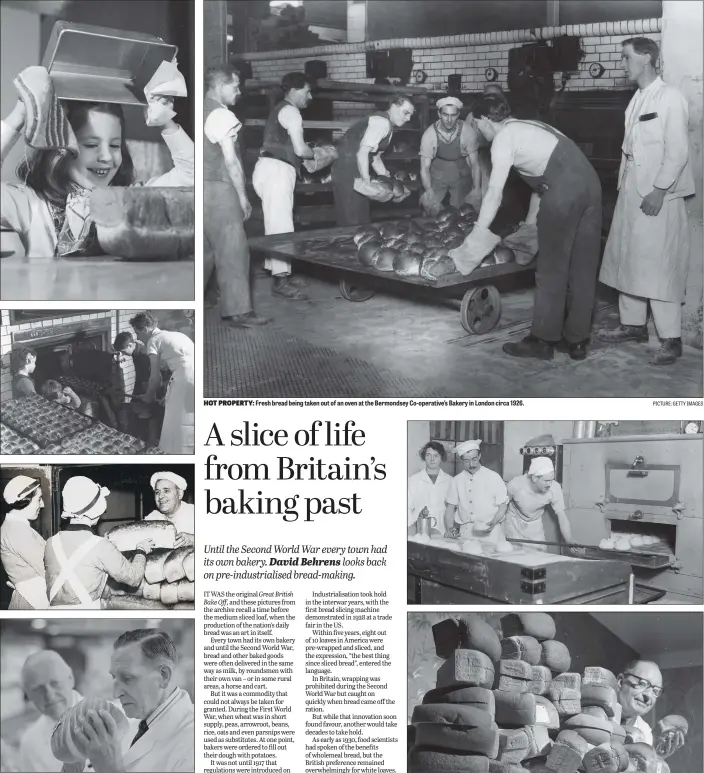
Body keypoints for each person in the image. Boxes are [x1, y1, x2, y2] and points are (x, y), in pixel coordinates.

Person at [456, 95, 602, 361]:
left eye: (477, 125)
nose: (478, 131)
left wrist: (479, 231)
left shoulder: (503, 139)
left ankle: (543, 340)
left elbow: (494, 193)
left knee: (551, 268)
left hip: (564, 191)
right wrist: (530, 223)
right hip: (591, 186)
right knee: (583, 267)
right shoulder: (531, 126)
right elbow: (541, 184)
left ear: (487, 121)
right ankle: (577, 341)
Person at [1, 75, 194, 258]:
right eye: (91, 145)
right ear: (59, 149)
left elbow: (193, 177)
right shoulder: (30, 204)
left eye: (114, 145)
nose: (106, 157)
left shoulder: (131, 200)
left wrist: (166, 123)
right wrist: (19, 115)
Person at [597, 37, 695, 366]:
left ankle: (671, 339)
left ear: (647, 58)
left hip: (658, 195)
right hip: (631, 191)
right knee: (629, 257)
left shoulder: (669, 97)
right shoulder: (637, 98)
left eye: (627, 57)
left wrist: (659, 190)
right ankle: (633, 325)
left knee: (658, 263)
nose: (623, 63)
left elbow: (678, 151)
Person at [67, 629, 195, 773]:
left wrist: (109, 769)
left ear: (163, 675)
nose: (116, 694)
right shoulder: (138, 722)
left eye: (128, 678)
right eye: (114, 678)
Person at [203, 64, 269, 328]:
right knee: (233, 250)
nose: (239, 91)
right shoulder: (221, 115)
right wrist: (243, 197)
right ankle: (238, 311)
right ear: (220, 86)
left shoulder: (197, 110)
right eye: (235, 86)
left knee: (205, 251)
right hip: (219, 188)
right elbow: (231, 161)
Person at [44, 476, 153, 608]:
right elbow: (134, 578)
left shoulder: (50, 543)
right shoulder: (101, 546)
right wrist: (141, 550)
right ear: (97, 508)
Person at [252, 72, 315, 300]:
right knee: (281, 226)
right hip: (276, 170)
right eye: (308, 91)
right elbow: (300, 150)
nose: (310, 96)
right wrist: (318, 154)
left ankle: (279, 270)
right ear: (295, 90)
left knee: (275, 223)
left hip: (269, 169)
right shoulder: (291, 111)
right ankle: (281, 282)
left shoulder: (280, 109)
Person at [331, 94, 415, 226]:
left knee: (361, 219)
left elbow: (375, 157)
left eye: (411, 115)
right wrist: (367, 182)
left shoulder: (388, 125)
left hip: (356, 170)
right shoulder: (381, 122)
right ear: (393, 106)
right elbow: (362, 153)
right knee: (351, 222)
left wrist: (389, 180)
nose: (408, 118)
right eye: (405, 113)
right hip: (348, 172)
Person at [129, 312, 194, 455]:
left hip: (185, 378)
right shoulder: (175, 335)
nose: (138, 338)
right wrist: (170, 395)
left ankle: (176, 456)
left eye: (137, 333)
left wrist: (148, 395)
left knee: (177, 423)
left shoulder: (153, 341)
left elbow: (155, 378)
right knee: (190, 418)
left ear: (145, 329)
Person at [17, 651, 83, 772]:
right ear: (28, 694)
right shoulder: (29, 743)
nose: (50, 696)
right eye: (38, 689)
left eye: (55, 683)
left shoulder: (114, 717)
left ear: (71, 679)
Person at [418, 96, 483, 215]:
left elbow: (474, 164)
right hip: (438, 170)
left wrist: (477, 189)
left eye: (453, 115)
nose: (449, 119)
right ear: (439, 114)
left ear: (458, 115)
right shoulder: (429, 135)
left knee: (463, 211)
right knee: (430, 207)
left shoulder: (468, 132)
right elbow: (425, 168)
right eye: (445, 115)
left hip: (460, 170)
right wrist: (428, 191)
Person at [443, 439, 509, 546]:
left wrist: (493, 523)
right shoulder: (457, 480)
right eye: (466, 461)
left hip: (490, 532)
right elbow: (450, 508)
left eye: (474, 459)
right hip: (466, 533)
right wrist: (450, 528)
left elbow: (502, 506)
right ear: (461, 460)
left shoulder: (493, 477)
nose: (471, 464)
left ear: (479, 456)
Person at [0, 474, 48, 609]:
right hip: (32, 602)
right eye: (39, 499)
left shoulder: (18, 527)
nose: (42, 504)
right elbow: (49, 568)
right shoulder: (16, 531)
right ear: (24, 501)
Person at [504, 456, 574, 549]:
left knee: (538, 556)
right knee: (513, 557)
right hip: (513, 523)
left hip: (534, 524)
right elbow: (502, 508)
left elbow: (562, 516)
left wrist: (569, 540)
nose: (550, 484)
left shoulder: (554, 488)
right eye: (546, 481)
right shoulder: (515, 485)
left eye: (551, 480)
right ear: (534, 478)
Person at [617, 659, 664, 746]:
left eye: (655, 691)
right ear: (621, 681)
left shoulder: (646, 734)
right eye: (642, 683)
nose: (648, 695)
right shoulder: (589, 709)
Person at [407, 441, 454, 529]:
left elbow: (453, 510)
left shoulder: (450, 481)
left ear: (441, 458)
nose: (432, 459)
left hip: (442, 530)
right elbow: (407, 508)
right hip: (419, 531)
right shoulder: (413, 480)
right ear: (424, 457)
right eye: (428, 455)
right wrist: (410, 527)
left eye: (436, 455)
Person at [145, 472, 194, 548]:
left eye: (166, 491)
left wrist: (193, 539)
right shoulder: (152, 518)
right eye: (157, 492)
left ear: (180, 494)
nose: (160, 496)